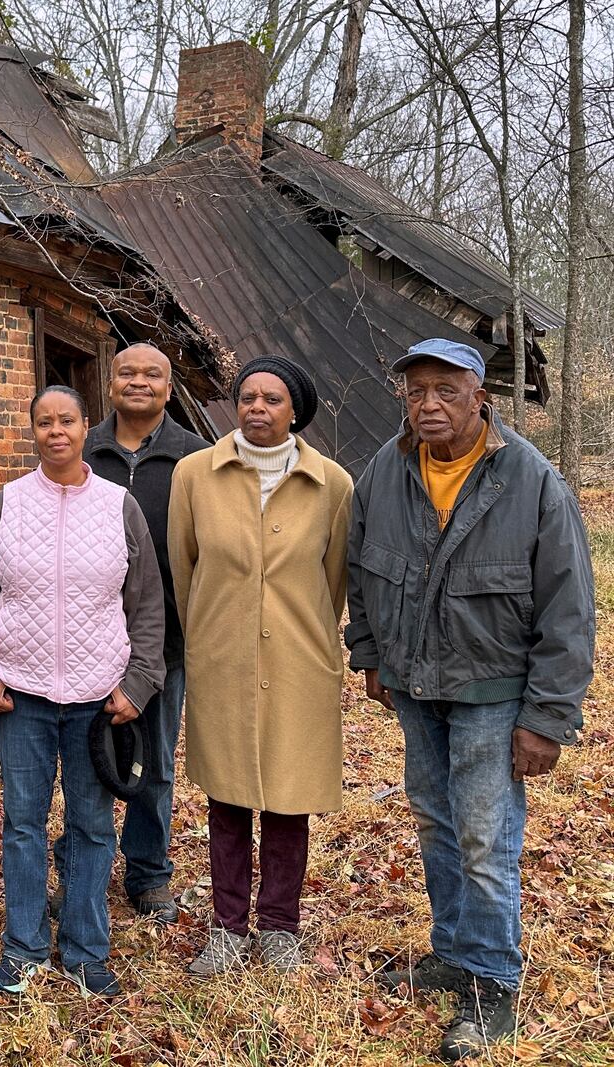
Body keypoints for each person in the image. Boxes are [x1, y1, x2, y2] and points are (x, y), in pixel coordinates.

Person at [348, 339, 595, 1063]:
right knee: (436, 824)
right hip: (417, 688)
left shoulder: (530, 478)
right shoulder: (385, 471)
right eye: (416, 390)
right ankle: (454, 952)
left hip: (495, 691)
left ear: (480, 395)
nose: (429, 404)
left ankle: (491, 985)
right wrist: (372, 654)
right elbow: (361, 570)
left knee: (487, 838)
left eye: (446, 391)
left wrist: (546, 717)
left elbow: (569, 608)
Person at [0, 385, 165, 997]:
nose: (56, 431)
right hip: (18, 696)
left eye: (67, 420)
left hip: (98, 699)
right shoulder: (8, 505)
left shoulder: (118, 506)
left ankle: (84, 950)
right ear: (34, 431)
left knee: (93, 825)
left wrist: (139, 683)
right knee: (23, 823)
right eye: (44, 422)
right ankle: (23, 949)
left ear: (85, 429)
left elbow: (147, 605)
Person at [167, 355, 352, 976]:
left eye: (272, 399)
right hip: (222, 657)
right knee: (228, 793)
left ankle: (278, 926)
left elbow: (333, 583)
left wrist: (310, 637)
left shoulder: (333, 486)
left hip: (300, 660)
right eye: (248, 397)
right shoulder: (195, 475)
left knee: (287, 796)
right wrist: (209, 636)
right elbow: (185, 570)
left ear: (294, 409)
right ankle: (226, 925)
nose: (257, 409)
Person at [56, 343, 209, 924]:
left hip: (163, 639)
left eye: (152, 375)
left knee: (155, 760)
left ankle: (148, 874)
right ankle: (79, 866)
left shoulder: (195, 458)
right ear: (109, 384)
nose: (138, 382)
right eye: (127, 373)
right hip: (83, 640)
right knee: (83, 758)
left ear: (169, 390)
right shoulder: (82, 448)